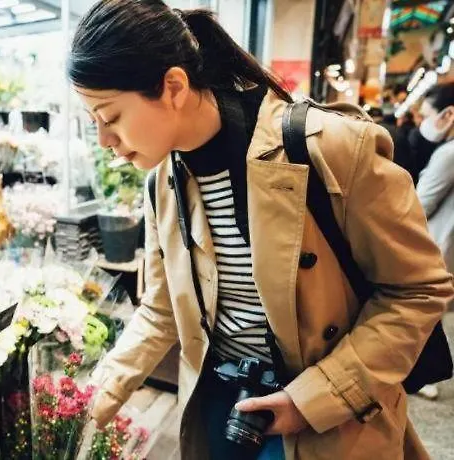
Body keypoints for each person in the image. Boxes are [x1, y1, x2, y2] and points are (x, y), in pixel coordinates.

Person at [68, 2, 454, 459]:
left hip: (329, 417)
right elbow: (162, 307)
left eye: (110, 117)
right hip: (218, 408)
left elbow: (417, 290)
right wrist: (95, 396)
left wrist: (311, 399)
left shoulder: (327, 148)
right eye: (93, 122)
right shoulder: (163, 184)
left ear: (173, 86)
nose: (104, 141)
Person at [410, 83, 454, 401]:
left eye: (426, 116)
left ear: (448, 115)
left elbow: (419, 205)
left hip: (436, 247)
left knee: (421, 313)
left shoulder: (449, 153)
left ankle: (420, 373)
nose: (422, 123)